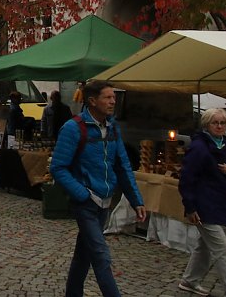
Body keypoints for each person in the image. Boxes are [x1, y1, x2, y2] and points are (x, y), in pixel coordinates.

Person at [50, 80, 146, 297]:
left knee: (84, 255)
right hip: (85, 203)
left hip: (105, 201)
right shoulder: (73, 128)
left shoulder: (112, 127)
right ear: (92, 101)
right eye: (108, 97)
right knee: (101, 255)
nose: (113, 101)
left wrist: (136, 200)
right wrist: (82, 194)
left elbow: (123, 166)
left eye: (114, 97)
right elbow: (58, 167)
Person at [177, 108, 226, 297]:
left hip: (220, 202)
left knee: (204, 246)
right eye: (216, 123)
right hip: (204, 205)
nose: (220, 126)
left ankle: (190, 280)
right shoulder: (199, 148)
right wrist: (190, 206)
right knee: (223, 250)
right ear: (207, 125)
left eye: (223, 123)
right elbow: (186, 179)